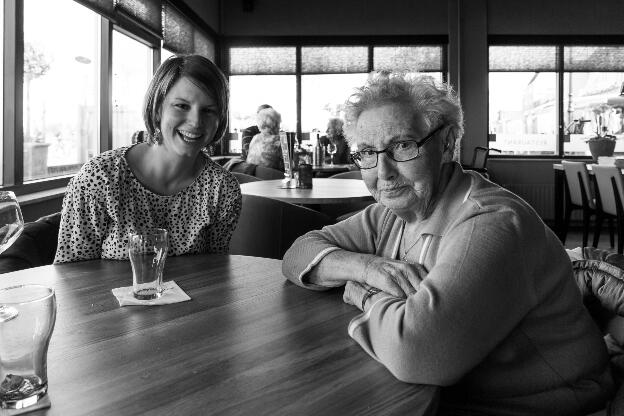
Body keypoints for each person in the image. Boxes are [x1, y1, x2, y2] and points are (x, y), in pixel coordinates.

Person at [282, 71, 613, 414]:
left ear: (447, 142)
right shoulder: (392, 213)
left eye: (402, 145)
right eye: (367, 152)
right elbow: (297, 254)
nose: (383, 172)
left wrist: (365, 294)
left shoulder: (492, 221)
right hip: (447, 395)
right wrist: (367, 267)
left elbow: (420, 353)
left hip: (546, 401)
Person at [54, 55, 242, 263]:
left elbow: (215, 271)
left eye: (209, 110)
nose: (196, 122)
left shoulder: (223, 189)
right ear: (158, 108)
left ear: (220, 119)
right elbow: (70, 274)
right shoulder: (100, 177)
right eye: (181, 106)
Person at [246, 107, 284, 171]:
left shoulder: (255, 138)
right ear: (275, 124)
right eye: (279, 123)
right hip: (272, 177)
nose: (279, 127)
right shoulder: (278, 140)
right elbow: (287, 164)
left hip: (252, 176)